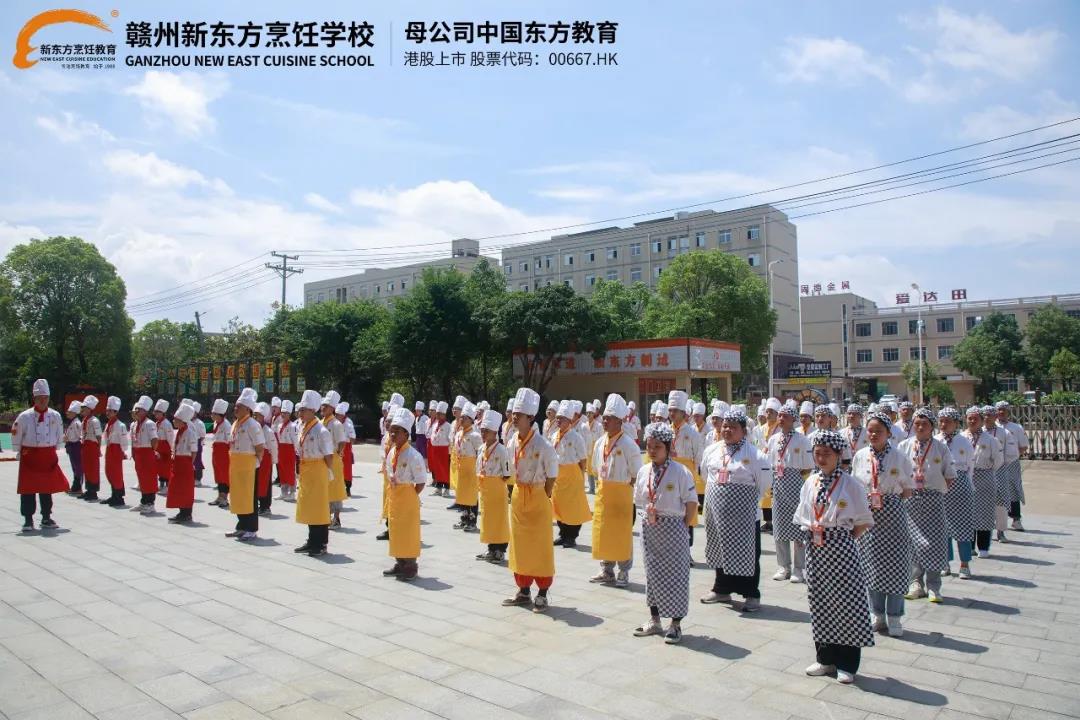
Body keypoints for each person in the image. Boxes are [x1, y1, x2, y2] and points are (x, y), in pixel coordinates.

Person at [796, 430, 874, 684]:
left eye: (826, 454)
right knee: (820, 602)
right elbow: (804, 514)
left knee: (847, 604)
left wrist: (842, 538)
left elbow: (862, 521)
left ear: (839, 455)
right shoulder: (811, 481)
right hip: (816, 548)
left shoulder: (851, 484)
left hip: (841, 547)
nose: (821, 458)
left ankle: (847, 663)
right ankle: (825, 658)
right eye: (817, 453)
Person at [699, 409, 772, 612]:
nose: (727, 430)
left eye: (733, 427)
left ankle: (751, 594)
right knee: (719, 549)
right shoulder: (712, 450)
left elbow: (764, 483)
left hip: (744, 517)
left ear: (743, 431)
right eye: (725, 426)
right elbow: (706, 475)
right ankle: (721, 589)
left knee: (747, 553)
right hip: (716, 512)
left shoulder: (755, 455)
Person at [851, 411, 915, 637]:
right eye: (870, 430)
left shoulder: (899, 457)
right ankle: (876, 614)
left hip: (893, 515)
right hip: (867, 515)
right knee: (870, 564)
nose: (874, 434)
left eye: (879, 430)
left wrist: (889, 501)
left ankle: (895, 617)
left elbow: (907, 489)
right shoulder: (860, 455)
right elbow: (856, 485)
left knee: (895, 566)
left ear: (889, 432)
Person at [633, 422, 697, 644]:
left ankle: (676, 624)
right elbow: (640, 500)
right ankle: (655, 619)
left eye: (657, 446)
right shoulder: (644, 471)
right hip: (650, 529)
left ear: (668, 447)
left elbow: (690, 504)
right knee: (652, 575)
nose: (652, 450)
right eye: (649, 446)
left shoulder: (680, 472)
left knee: (676, 577)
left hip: (674, 528)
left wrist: (682, 526)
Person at [504, 388, 559, 612]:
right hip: (519, 494)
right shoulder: (511, 443)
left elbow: (552, 474)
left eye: (520, 414)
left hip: (537, 495)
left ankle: (543, 593)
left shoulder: (543, 446)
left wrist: (542, 494)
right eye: (514, 413)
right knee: (520, 545)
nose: (515, 417)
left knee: (540, 545)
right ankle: (523, 590)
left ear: (531, 418)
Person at [900, 408, 955, 603]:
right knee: (912, 542)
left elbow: (949, 475)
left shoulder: (941, 447)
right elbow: (898, 474)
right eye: (917, 424)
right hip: (911, 499)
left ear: (932, 427)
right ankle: (915, 583)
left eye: (924, 424)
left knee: (935, 541)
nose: (920, 427)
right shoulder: (904, 446)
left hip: (933, 499)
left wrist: (935, 491)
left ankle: (934, 586)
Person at [590, 393, 643, 587]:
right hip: (604, 492)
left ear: (620, 421)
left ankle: (624, 571)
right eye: (604, 417)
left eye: (609, 418)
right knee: (603, 532)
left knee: (621, 534)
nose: (604, 421)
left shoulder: (629, 445)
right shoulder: (599, 442)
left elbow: (638, 473)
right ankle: (606, 569)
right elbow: (596, 468)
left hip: (621, 494)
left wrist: (626, 489)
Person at [13, 379, 68, 532]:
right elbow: (16, 433)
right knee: (28, 489)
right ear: (34, 399)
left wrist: (58, 448)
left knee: (46, 488)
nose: (42, 401)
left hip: (47, 454)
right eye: (39, 398)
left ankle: (46, 517)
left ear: (48, 398)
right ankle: (28, 519)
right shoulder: (24, 416)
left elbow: (59, 433)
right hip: (30, 455)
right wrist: (18, 450)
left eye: (45, 398)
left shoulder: (55, 416)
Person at [768, 403, 815, 582]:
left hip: (796, 486)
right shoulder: (773, 439)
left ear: (793, 419)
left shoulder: (802, 440)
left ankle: (799, 568)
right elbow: (771, 464)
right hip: (778, 486)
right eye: (779, 416)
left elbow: (807, 467)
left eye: (785, 417)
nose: (780, 419)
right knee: (779, 528)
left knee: (798, 528)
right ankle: (783, 566)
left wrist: (793, 479)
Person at [384, 407, 426, 580]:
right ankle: (399, 562)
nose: (393, 435)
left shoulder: (413, 455)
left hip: (407, 496)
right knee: (395, 530)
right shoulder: (392, 452)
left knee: (408, 531)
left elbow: (421, 481)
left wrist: (410, 495)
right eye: (391, 431)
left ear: (406, 434)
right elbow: (388, 471)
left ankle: (410, 566)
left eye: (397, 432)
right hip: (394, 495)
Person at [293, 389, 335, 557]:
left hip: (317, 470)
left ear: (313, 410)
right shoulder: (303, 427)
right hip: (306, 469)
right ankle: (311, 540)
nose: (300, 413)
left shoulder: (321, 430)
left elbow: (329, 455)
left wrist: (328, 472)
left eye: (303, 410)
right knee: (309, 506)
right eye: (300, 410)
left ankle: (321, 543)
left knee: (319, 507)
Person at [937, 408, 976, 579]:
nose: (944, 425)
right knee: (943, 526)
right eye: (942, 421)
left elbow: (970, 465)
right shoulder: (936, 441)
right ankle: (945, 562)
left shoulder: (964, 441)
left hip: (961, 486)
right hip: (941, 485)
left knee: (963, 527)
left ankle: (965, 564)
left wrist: (967, 483)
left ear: (956, 423)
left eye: (948, 421)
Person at [550, 400, 592, 549]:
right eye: (558, 418)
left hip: (572, 474)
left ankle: (571, 537)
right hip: (558, 475)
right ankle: (562, 534)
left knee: (573, 507)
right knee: (559, 506)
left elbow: (582, 459)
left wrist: (580, 474)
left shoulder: (576, 437)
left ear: (569, 421)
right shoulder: (554, 435)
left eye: (562, 419)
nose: (558, 421)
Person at [226, 388, 265, 542]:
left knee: (249, 496)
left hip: (248, 464)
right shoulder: (236, 423)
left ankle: (251, 528)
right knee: (238, 495)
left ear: (248, 409)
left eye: (239, 406)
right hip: (236, 463)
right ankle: (241, 525)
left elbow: (260, 447)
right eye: (235, 406)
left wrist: (256, 462)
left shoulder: (252, 424)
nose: (235, 409)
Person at [666, 390, 705, 544]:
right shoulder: (666, 431)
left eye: (675, 410)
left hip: (687, 476)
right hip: (669, 474)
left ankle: (687, 550)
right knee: (670, 510)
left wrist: (692, 473)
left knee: (687, 510)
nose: (672, 413)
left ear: (683, 413)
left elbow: (698, 457)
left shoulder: (692, 433)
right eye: (670, 410)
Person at [963, 406, 1002, 558]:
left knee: (984, 513)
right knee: (967, 513)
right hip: (966, 477)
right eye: (970, 418)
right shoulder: (961, 437)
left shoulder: (990, 440)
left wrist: (985, 470)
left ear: (981, 420)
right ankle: (970, 546)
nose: (972, 421)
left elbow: (998, 461)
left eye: (975, 419)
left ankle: (984, 547)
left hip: (985, 478)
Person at [476, 410, 512, 563]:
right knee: (488, 520)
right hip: (485, 489)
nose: (483, 434)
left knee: (499, 520)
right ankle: (491, 548)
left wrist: (495, 482)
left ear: (495, 432)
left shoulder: (502, 450)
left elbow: (507, 472)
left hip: (497, 488)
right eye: (482, 431)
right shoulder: (481, 448)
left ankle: (500, 550)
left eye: (487, 431)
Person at [994, 402, 1028, 531]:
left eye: (1004, 410)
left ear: (1008, 412)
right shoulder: (990, 427)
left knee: (1013, 489)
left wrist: (1011, 457)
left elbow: (1023, 446)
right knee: (995, 490)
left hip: (1011, 464)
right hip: (994, 465)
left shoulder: (1016, 427)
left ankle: (1016, 519)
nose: (1001, 412)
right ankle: (995, 520)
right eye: (999, 410)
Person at [452, 402, 483, 532]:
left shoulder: (475, 436)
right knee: (462, 493)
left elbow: (480, 453)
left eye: (464, 417)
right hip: (461, 466)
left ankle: (472, 521)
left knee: (472, 495)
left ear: (471, 420)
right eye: (461, 417)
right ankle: (464, 518)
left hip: (472, 467)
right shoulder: (459, 434)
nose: (461, 419)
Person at [320, 391, 349, 529]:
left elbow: (342, 441)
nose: (322, 408)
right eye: (322, 406)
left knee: (336, 488)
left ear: (332, 408)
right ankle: (326, 515)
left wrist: (338, 452)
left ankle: (336, 519)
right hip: (323, 459)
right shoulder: (321, 422)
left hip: (334, 459)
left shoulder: (336, 424)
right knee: (325, 487)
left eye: (325, 406)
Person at [167, 403, 198, 523]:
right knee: (177, 487)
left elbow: (194, 451)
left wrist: (189, 464)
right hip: (178, 462)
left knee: (185, 489)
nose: (174, 421)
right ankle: (181, 511)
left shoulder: (190, 433)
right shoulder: (178, 432)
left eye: (176, 419)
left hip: (185, 462)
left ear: (182, 421)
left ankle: (186, 513)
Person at [130, 395, 160, 515]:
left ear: (145, 411)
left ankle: (150, 503)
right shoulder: (135, 424)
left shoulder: (149, 424)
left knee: (149, 478)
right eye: (136, 409)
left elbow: (154, 440)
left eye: (140, 409)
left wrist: (152, 451)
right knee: (141, 478)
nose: (137, 411)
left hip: (147, 452)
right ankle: (143, 501)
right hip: (138, 452)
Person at [100, 396, 129, 507]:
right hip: (110, 449)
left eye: (110, 411)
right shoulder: (109, 424)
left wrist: (123, 451)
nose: (107, 413)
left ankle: (119, 497)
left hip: (116, 450)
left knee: (116, 473)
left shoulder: (120, 425)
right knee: (109, 472)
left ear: (116, 412)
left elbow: (124, 441)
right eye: (107, 410)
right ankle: (114, 494)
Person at [253, 403, 279, 516]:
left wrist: (274, 460)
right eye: (254, 415)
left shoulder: (268, 431)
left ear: (263, 417)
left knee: (265, 482)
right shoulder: (253, 428)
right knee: (256, 481)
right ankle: (258, 503)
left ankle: (265, 506)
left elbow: (273, 447)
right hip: (255, 457)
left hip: (265, 458)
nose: (254, 418)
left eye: (257, 415)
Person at [77, 396, 103, 501]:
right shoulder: (84, 420)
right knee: (86, 468)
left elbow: (98, 436)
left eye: (84, 407)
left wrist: (98, 448)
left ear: (90, 409)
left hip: (92, 446)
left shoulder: (94, 421)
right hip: (85, 445)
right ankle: (88, 489)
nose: (82, 409)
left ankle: (93, 491)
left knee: (93, 469)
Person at [208, 399, 232, 509]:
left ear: (220, 415)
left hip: (224, 453)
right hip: (217, 451)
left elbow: (230, 441)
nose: (212, 415)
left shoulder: (227, 425)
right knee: (218, 475)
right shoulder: (215, 423)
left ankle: (224, 497)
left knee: (224, 475)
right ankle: (219, 496)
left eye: (214, 414)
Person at [428, 401, 452, 497]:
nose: (437, 415)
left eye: (439, 414)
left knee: (445, 470)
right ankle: (438, 488)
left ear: (444, 414)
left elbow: (450, 439)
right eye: (437, 413)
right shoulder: (435, 424)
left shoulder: (448, 426)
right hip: (435, 449)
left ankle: (446, 488)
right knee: (437, 469)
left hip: (444, 450)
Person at [275, 400, 298, 500]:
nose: (283, 415)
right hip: (281, 449)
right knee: (282, 471)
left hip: (289, 450)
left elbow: (295, 441)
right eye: (282, 413)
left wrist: (297, 452)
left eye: (286, 413)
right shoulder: (279, 425)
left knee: (290, 471)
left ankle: (292, 493)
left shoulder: (293, 426)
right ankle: (284, 492)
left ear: (290, 414)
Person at [63, 400, 84, 496]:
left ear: (75, 413)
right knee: (74, 467)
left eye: (70, 412)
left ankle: (78, 487)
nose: (67, 413)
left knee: (78, 467)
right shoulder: (72, 422)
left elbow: (80, 436)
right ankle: (75, 486)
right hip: (71, 446)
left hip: (76, 446)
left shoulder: (77, 423)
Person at [153, 399, 174, 496]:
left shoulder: (167, 423)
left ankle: (167, 485)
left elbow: (170, 437)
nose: (156, 414)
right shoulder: (156, 423)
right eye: (155, 412)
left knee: (166, 467)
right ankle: (161, 484)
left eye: (158, 412)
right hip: (158, 446)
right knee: (159, 467)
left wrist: (172, 449)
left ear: (163, 413)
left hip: (165, 447)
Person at [337, 402, 356, 496]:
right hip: (336, 445)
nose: (336, 416)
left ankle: (348, 487)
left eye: (338, 415)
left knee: (347, 468)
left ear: (342, 415)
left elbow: (353, 437)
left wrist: (348, 448)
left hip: (346, 446)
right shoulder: (335, 422)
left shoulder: (348, 423)